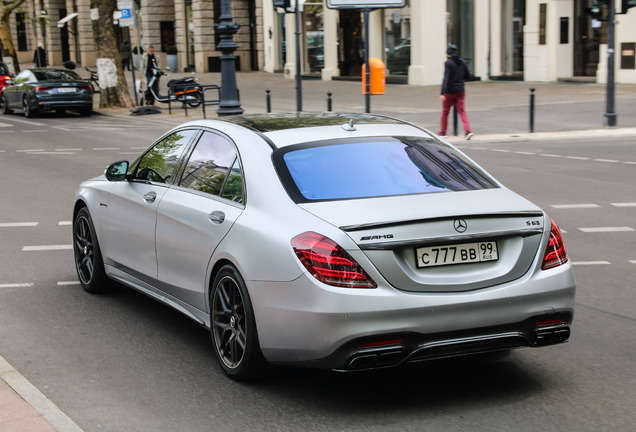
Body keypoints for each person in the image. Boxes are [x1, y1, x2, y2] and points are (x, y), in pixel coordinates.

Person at [439, 44, 473, 140]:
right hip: (461, 90)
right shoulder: (462, 62)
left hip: (450, 91)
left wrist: (442, 92)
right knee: (462, 111)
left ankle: (443, 132)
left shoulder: (448, 63)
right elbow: (468, 76)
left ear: (448, 53)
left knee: (445, 112)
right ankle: (468, 131)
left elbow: (446, 78)